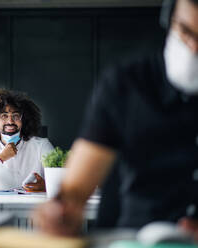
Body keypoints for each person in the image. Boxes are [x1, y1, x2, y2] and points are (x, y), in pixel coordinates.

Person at [34, 0, 198, 238]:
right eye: (185, 31)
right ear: (168, 20)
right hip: (132, 237)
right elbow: (75, 191)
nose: (193, 49)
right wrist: (60, 212)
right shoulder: (127, 84)